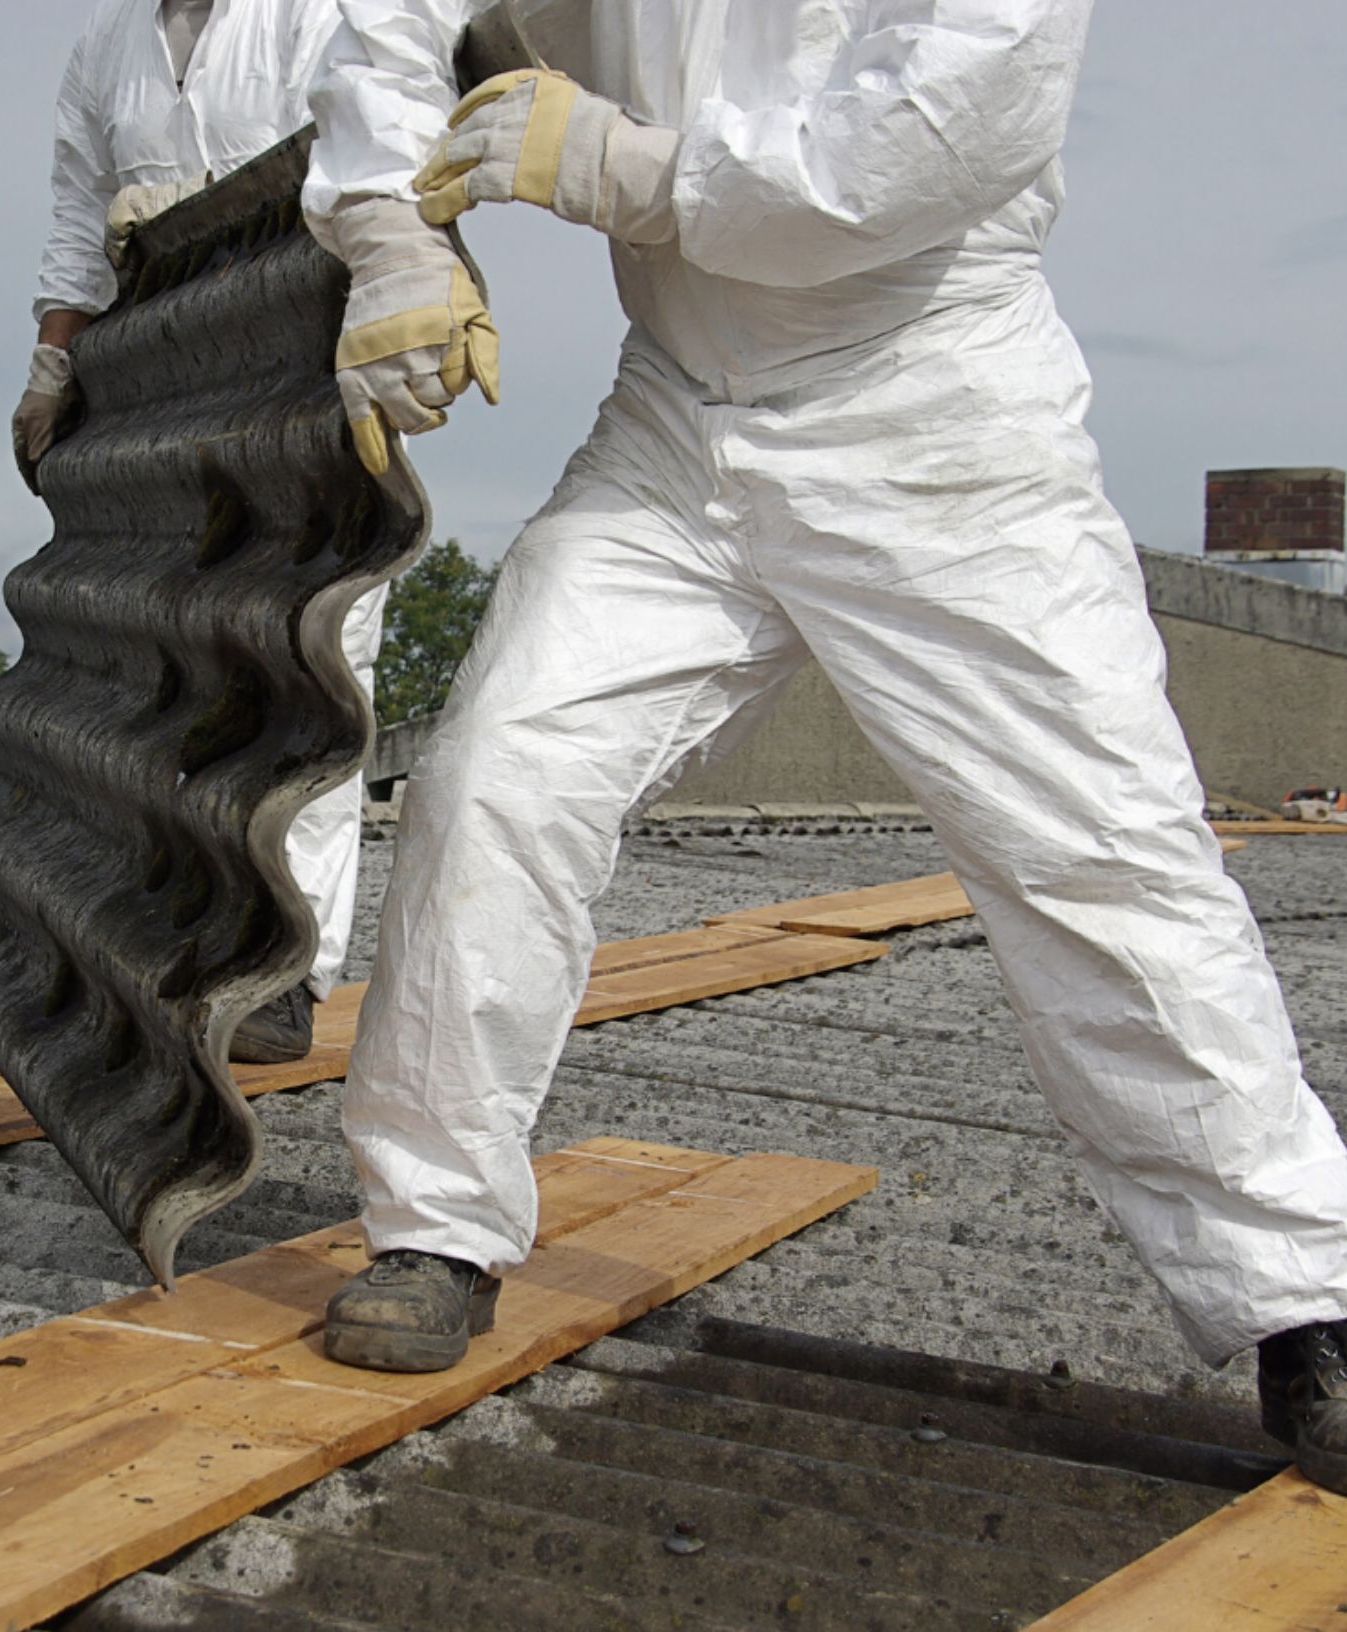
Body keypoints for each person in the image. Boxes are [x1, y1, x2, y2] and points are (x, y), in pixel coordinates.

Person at [300, 0, 1347, 1493]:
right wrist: (394, 232)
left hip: (934, 413)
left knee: (1100, 853)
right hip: (675, 425)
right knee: (496, 779)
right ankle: (433, 1227)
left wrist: (617, 168)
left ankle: (1306, 1295)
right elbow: (392, 18)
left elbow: (896, 161)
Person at [19, 0, 382, 1064]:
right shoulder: (109, 50)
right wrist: (54, 361)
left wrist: (219, 210)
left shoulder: (317, 14)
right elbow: (78, 216)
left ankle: (289, 968)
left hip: (311, 359)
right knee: (176, 659)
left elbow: (378, 156)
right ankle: (178, 936)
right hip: (169, 380)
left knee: (313, 658)